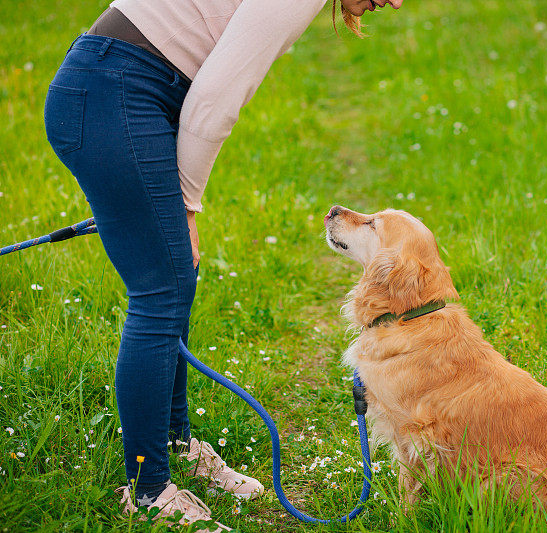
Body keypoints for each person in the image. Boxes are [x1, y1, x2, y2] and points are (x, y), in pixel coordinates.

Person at [43, 0, 402, 528]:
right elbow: (215, 99)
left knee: (173, 278)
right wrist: (186, 201)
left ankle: (175, 444)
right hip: (114, 90)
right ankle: (147, 489)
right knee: (160, 289)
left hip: (119, 87)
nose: (392, 3)